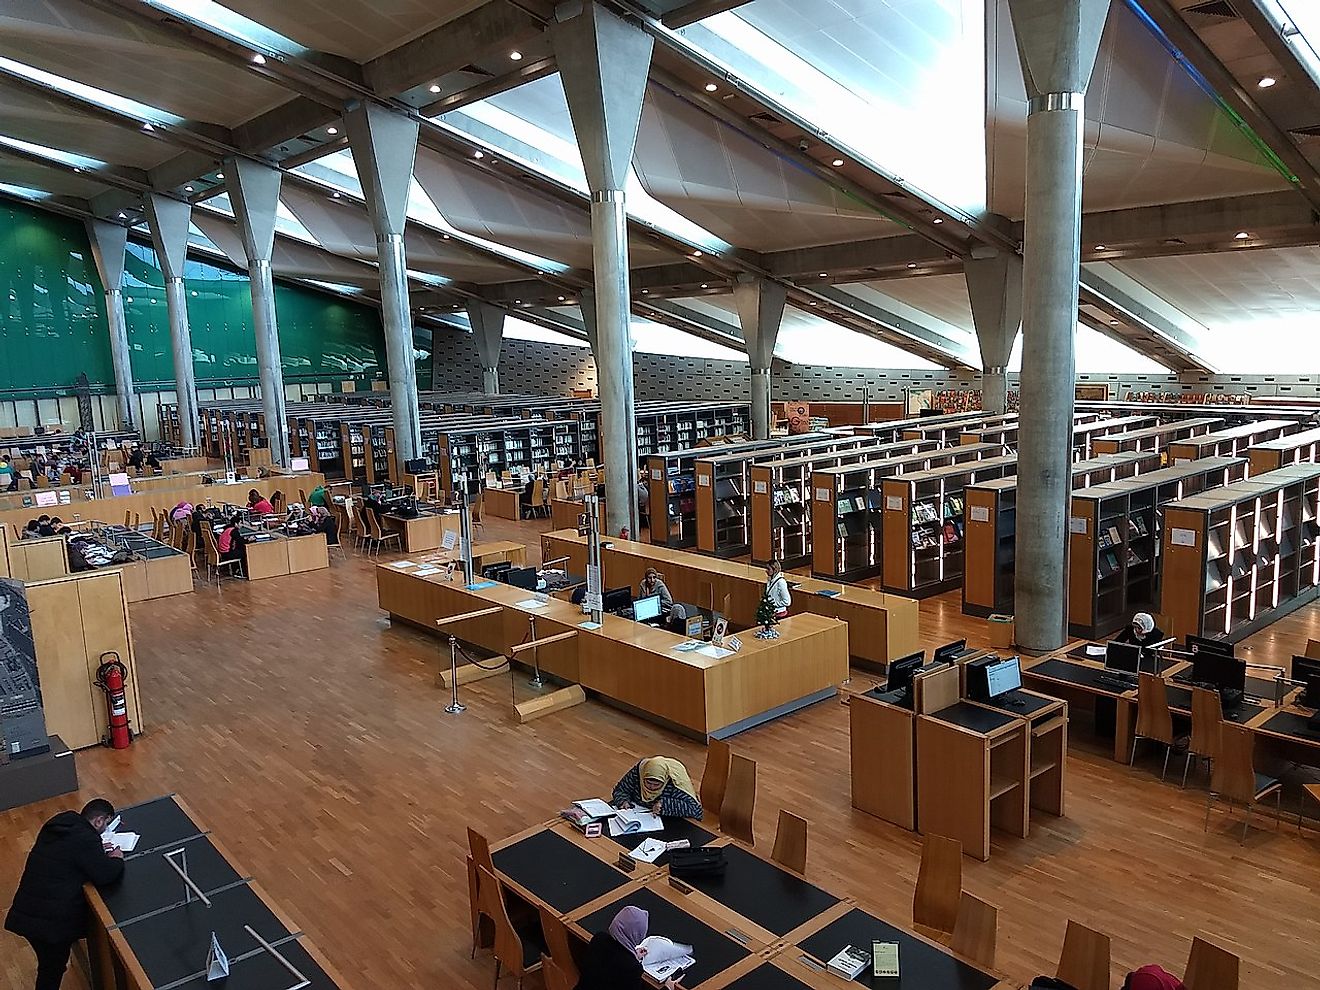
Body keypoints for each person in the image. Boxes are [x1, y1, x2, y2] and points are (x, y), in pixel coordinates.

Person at [4, 798, 125, 990]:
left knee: (49, 965)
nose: (105, 831)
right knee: (51, 970)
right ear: (99, 821)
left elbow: (68, 854)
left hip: (27, 909)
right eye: (106, 825)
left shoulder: (59, 825)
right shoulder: (86, 839)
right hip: (49, 923)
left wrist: (95, 852)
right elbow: (105, 874)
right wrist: (117, 859)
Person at [575, 905, 683, 990]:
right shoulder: (632, 968)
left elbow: (610, 962)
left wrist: (631, 954)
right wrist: (668, 987)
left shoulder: (599, 939)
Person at [612, 756, 703, 819]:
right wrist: (623, 801)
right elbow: (621, 790)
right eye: (648, 782)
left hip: (668, 823)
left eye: (656, 785)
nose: (651, 787)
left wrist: (664, 805)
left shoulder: (674, 783)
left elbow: (695, 810)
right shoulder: (639, 772)